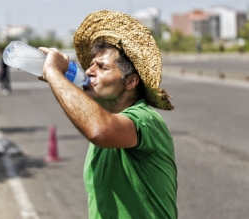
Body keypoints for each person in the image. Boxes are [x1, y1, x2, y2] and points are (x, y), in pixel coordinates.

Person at [39, 10, 177, 219]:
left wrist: (53, 73)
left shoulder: (146, 120)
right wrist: (60, 78)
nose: (88, 72)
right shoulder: (106, 117)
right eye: (91, 65)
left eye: (102, 67)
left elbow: (100, 130)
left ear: (130, 82)